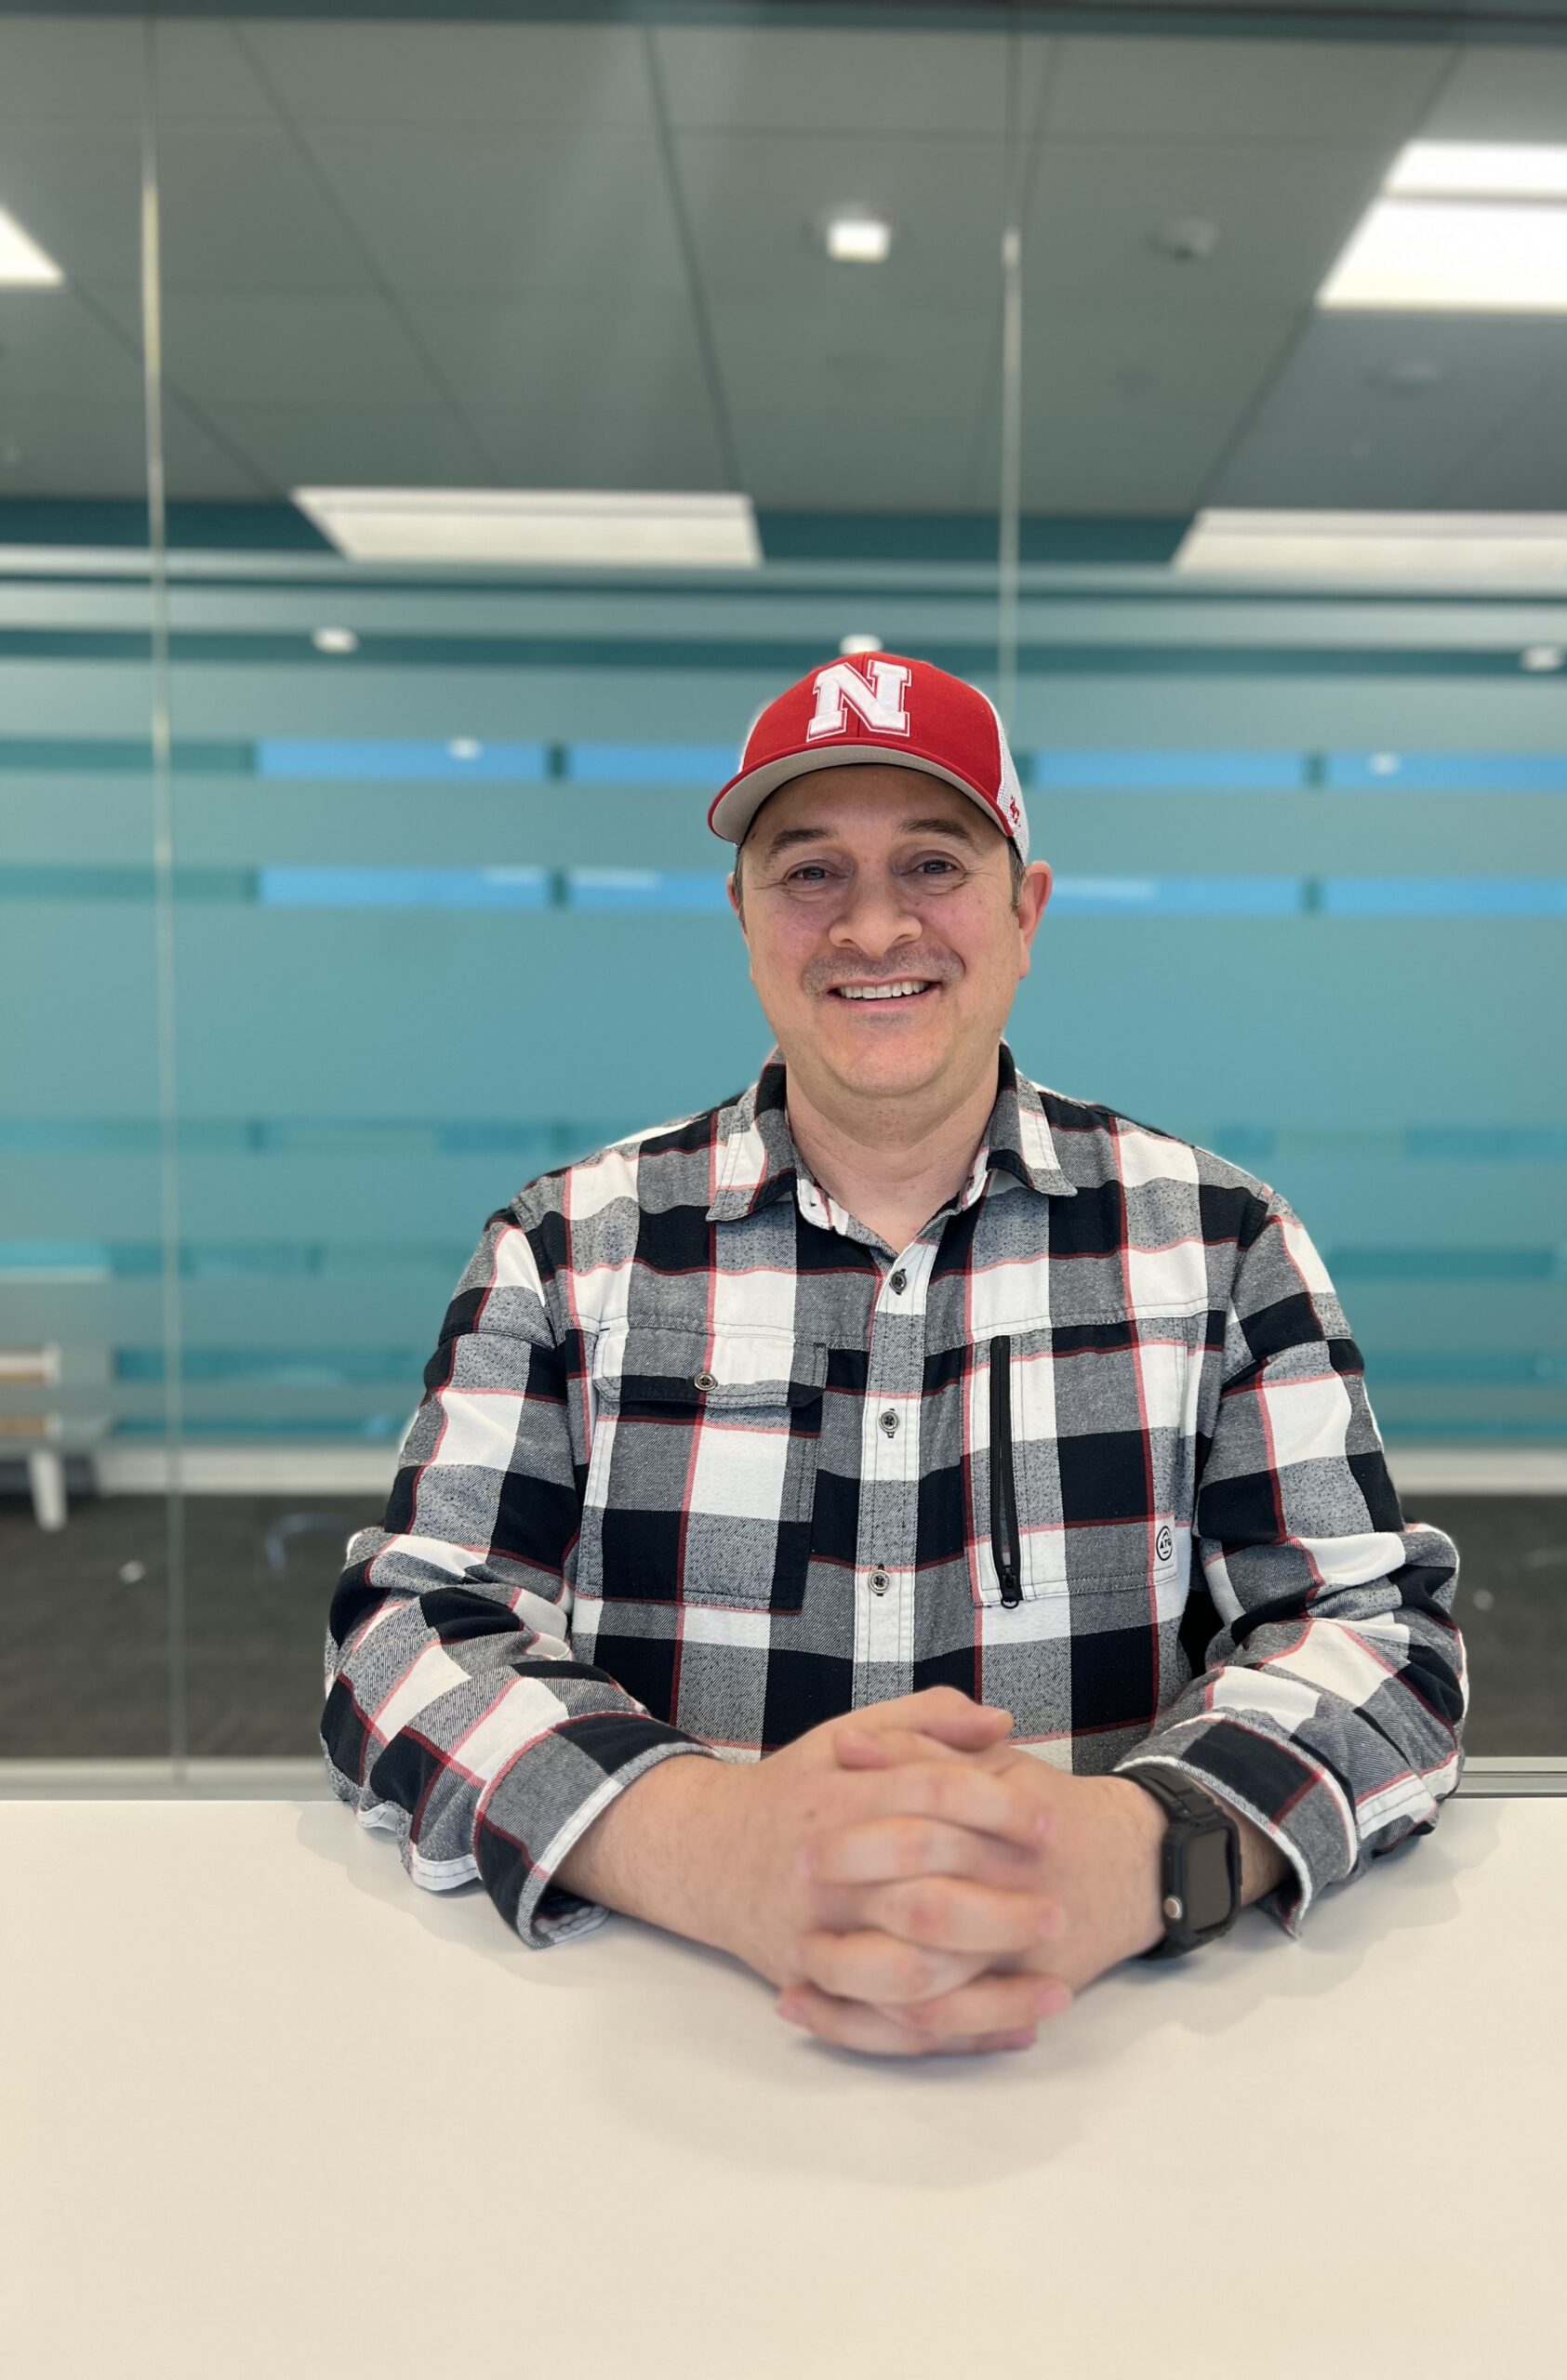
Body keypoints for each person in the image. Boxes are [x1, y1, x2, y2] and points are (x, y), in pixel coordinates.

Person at [322, 653, 1467, 2059]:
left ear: (1024, 911)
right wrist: (699, 1842)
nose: (874, 927)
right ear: (741, 917)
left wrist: (1141, 1850)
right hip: (662, 2025)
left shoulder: (1222, 1242)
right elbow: (409, 1630)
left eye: (933, 862)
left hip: (1114, 2044)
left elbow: (1377, 1633)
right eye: (809, 872)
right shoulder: (566, 1248)